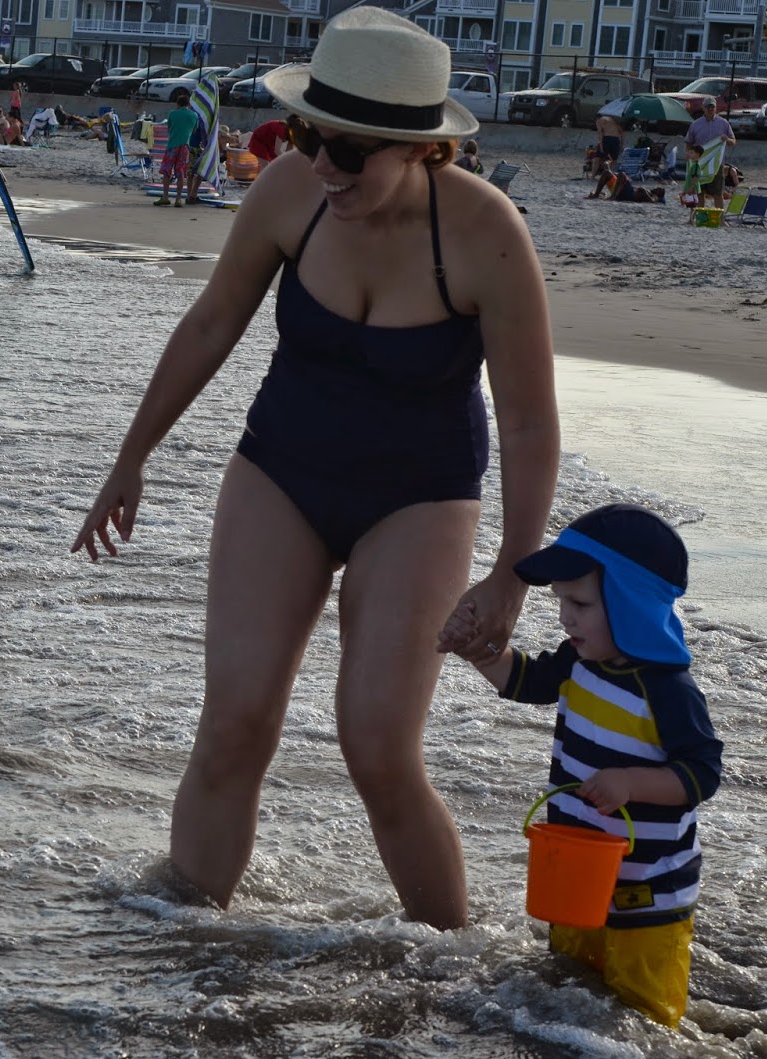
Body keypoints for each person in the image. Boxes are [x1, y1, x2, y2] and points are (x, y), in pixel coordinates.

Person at [70, 7, 558, 923]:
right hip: (282, 469)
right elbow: (211, 323)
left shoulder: (485, 233)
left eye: (348, 150)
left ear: (418, 148)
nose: (322, 165)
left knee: (377, 745)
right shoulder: (289, 192)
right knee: (234, 722)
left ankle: (456, 967)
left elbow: (530, 424)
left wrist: (512, 575)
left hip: (419, 496)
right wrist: (131, 457)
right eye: (306, 136)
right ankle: (180, 946)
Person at [442, 504, 722, 1027]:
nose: (565, 617)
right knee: (568, 995)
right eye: (562, 602)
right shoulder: (579, 661)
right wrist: (480, 653)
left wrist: (629, 782)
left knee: (642, 1020)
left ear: (630, 603)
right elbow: (526, 682)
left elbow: (702, 774)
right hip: (576, 873)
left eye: (581, 603)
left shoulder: (669, 691)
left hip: (649, 892)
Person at [684, 97, 735, 210]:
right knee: (699, 193)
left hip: (716, 165)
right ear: (703, 108)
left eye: (712, 106)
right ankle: (698, 216)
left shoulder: (723, 123)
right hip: (699, 164)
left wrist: (727, 139)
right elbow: (688, 142)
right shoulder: (695, 124)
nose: (710, 109)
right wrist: (689, 156)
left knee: (718, 193)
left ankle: (719, 217)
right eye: (708, 106)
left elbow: (733, 142)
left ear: (716, 107)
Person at [155, 92, 198, 207]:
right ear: (188, 104)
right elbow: (194, 130)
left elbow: (169, 128)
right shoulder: (194, 115)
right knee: (181, 173)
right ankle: (178, 199)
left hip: (172, 146)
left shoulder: (172, 114)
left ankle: (165, 197)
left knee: (166, 172)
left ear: (178, 104)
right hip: (185, 146)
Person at [592, 112, 623, 179]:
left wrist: (601, 146)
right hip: (616, 140)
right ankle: (610, 176)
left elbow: (600, 133)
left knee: (597, 158)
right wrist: (621, 144)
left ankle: (592, 177)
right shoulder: (612, 119)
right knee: (614, 160)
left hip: (607, 139)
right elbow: (621, 132)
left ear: (596, 118)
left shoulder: (599, 121)